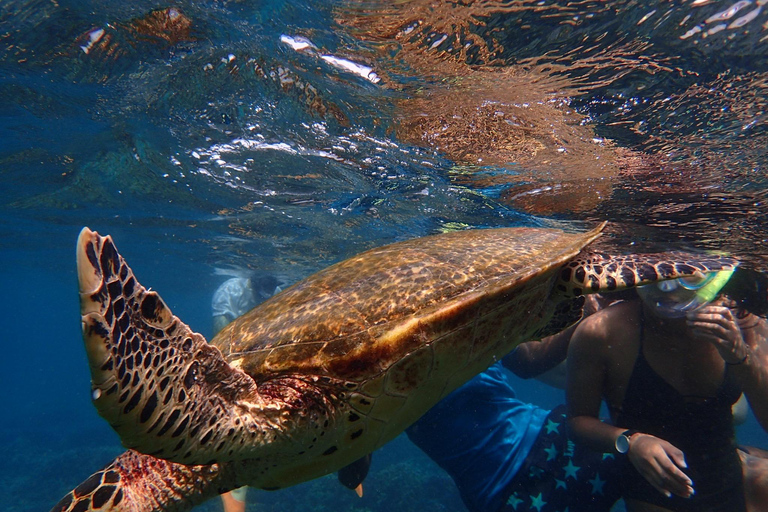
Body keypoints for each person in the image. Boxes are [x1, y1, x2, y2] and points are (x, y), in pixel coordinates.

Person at [566, 270, 768, 512]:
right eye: (654, 274)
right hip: (656, 493)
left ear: (718, 272)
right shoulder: (601, 332)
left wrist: (741, 357)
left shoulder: (746, 323)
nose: (667, 288)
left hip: (736, 474)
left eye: (687, 274)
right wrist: (631, 441)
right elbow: (578, 421)